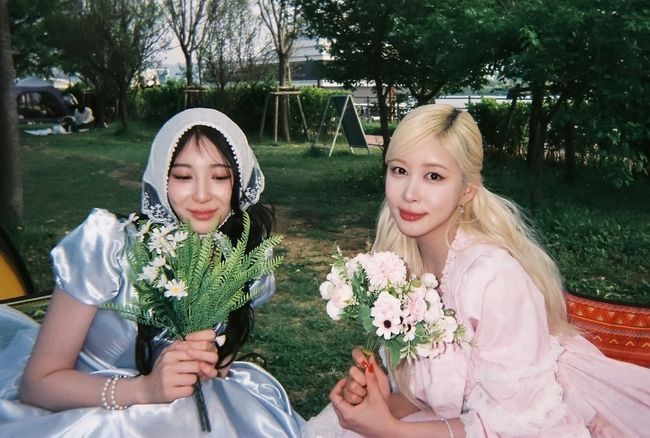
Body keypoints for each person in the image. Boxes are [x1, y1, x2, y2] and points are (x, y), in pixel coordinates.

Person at [304, 104, 650, 437]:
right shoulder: (397, 264)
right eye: (399, 170)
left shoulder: (493, 278)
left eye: (434, 176)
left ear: (466, 190)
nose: (409, 193)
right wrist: (388, 400)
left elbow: (522, 425)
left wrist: (390, 431)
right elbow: (444, 397)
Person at [0, 108, 304, 436]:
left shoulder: (242, 260)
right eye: (183, 177)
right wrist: (143, 390)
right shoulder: (108, 247)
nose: (202, 194)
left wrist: (203, 365)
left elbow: (219, 368)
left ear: (239, 182)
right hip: (89, 416)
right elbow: (37, 385)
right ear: (161, 177)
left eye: (219, 177)